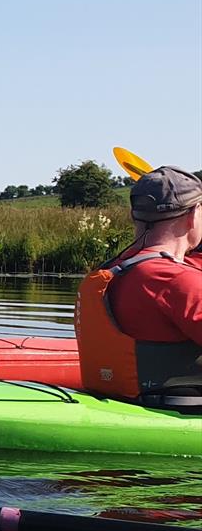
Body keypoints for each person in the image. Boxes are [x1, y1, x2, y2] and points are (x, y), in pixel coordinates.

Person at [75, 165, 202, 402]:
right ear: (194, 214)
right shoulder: (176, 280)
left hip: (119, 398)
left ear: (135, 215)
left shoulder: (113, 270)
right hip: (175, 408)